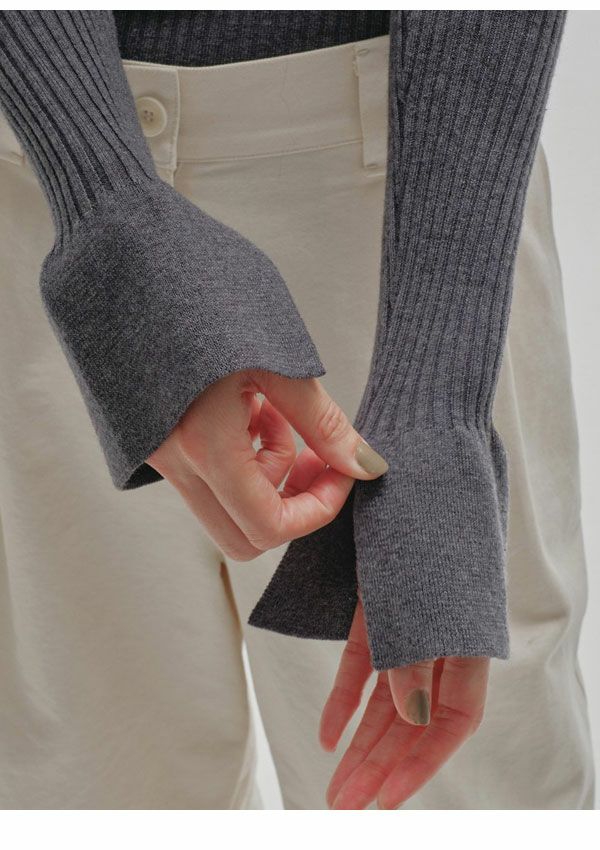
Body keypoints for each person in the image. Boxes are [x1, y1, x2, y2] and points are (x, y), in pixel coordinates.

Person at [0, 11, 593, 809]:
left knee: (456, 793)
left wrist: (435, 392)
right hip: (42, 173)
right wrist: (107, 211)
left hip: (418, 208)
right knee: (84, 792)